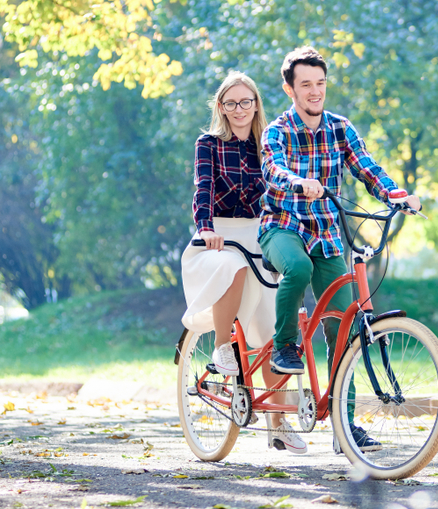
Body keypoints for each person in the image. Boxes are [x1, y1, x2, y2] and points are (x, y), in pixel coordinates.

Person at [258, 47, 421, 455]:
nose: (315, 92)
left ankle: (343, 428)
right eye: (306, 85)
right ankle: (284, 345)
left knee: (344, 329)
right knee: (294, 268)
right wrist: (298, 181)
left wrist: (396, 194)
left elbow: (366, 166)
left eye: (320, 84)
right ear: (289, 89)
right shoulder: (276, 131)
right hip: (283, 225)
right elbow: (273, 171)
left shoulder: (339, 127)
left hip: (328, 234)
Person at [179, 71, 306, 454]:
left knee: (272, 332)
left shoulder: (266, 145)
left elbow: (282, 188)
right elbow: (203, 189)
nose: (239, 109)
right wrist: (205, 227)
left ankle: (277, 424)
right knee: (231, 265)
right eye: (231, 103)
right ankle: (222, 351)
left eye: (246, 102)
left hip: (259, 233)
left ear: (256, 105)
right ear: (221, 107)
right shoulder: (209, 144)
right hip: (217, 235)